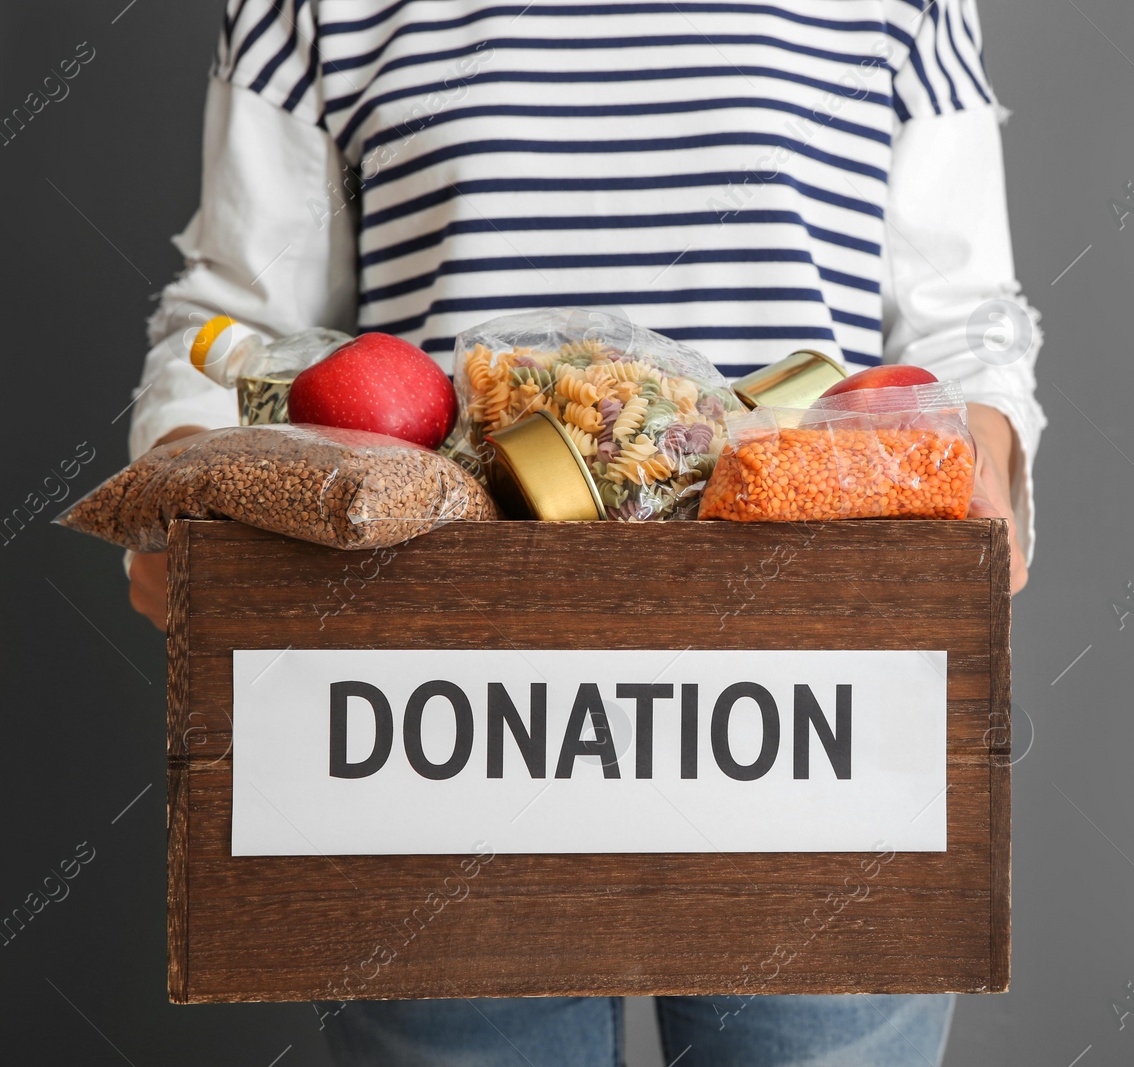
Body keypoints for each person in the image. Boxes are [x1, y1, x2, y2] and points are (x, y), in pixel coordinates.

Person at [127, 1, 1045, 1063]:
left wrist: (977, 463)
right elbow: (242, 316)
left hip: (815, 691)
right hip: (446, 703)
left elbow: (964, 322)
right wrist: (190, 492)